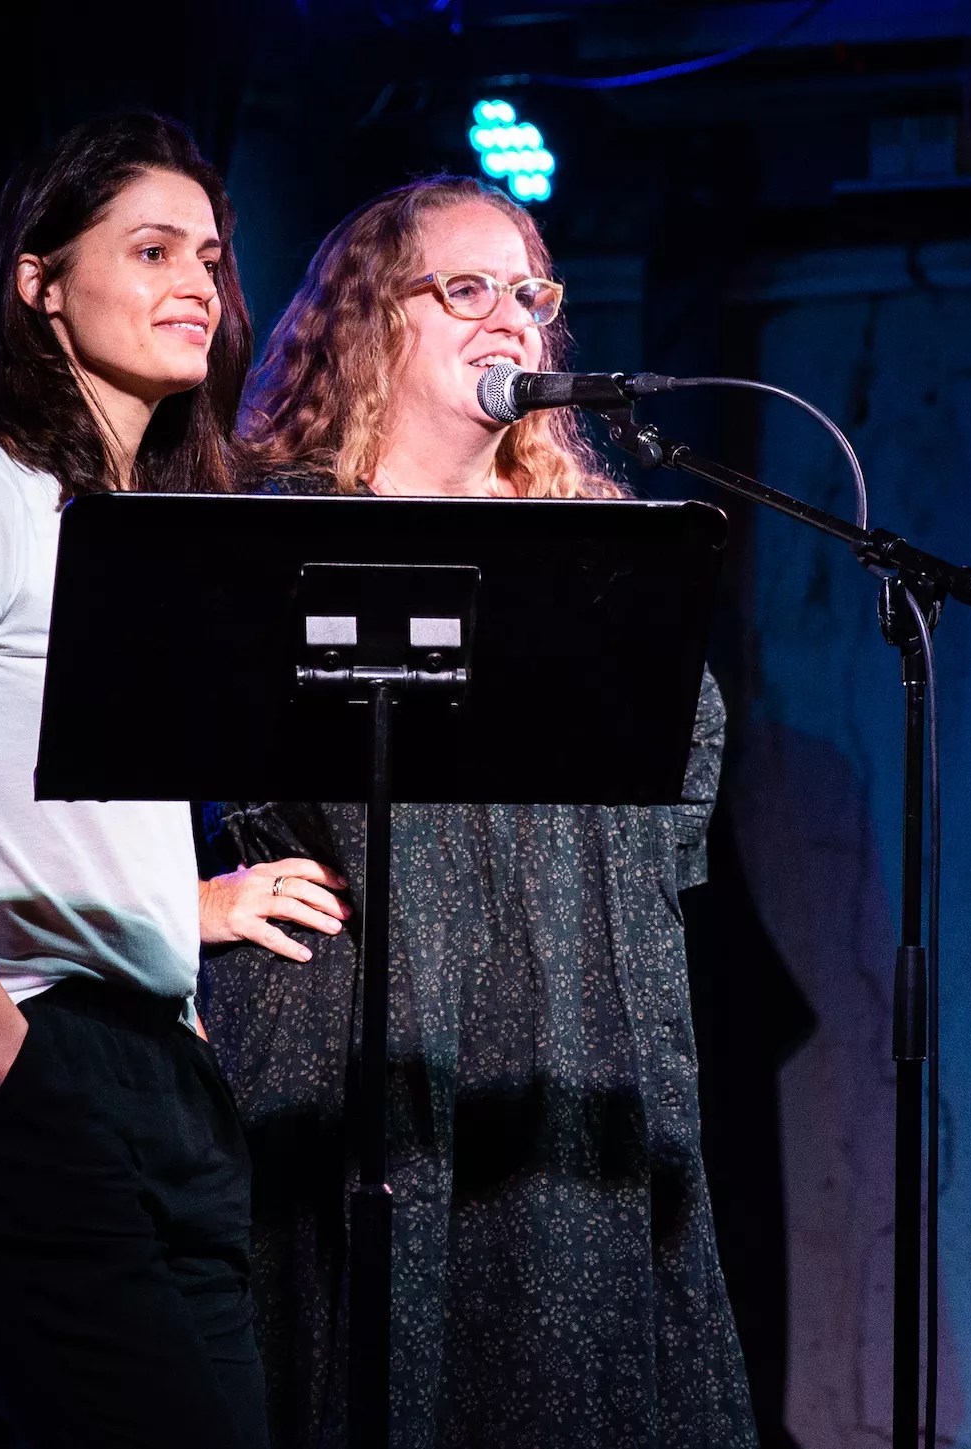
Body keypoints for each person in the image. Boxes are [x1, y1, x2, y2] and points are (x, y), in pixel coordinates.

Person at [207, 175, 758, 1449]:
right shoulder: (284, 530)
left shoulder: (600, 544)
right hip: (367, 1026)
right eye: (465, 290)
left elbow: (684, 779)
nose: (511, 320)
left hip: (570, 1025)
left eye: (528, 294)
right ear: (368, 319)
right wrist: (203, 899)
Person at [0, 111, 333, 1449]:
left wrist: (181, 916)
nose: (196, 284)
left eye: (209, 259)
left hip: (156, 1062)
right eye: (151, 250)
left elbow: (49, 806)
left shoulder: (140, 531)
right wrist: (16, 1056)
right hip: (13, 1054)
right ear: (41, 282)